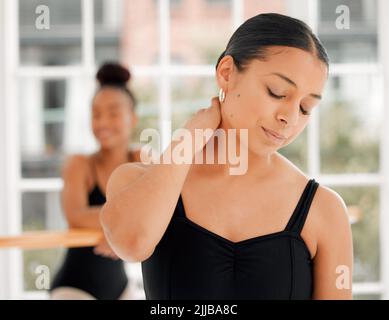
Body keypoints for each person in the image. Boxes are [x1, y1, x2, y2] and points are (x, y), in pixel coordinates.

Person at [100, 13, 353, 299]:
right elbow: (132, 243)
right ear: (227, 73)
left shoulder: (325, 210)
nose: (290, 118)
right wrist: (190, 137)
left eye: (306, 108)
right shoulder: (135, 181)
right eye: (277, 92)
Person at [50, 62, 142, 300]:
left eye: (113, 113)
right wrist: (123, 229)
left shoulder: (141, 158)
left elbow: (161, 215)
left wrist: (116, 228)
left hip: (121, 289)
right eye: (96, 114)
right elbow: (76, 217)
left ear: (132, 118)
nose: (102, 122)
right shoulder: (79, 164)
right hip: (73, 288)